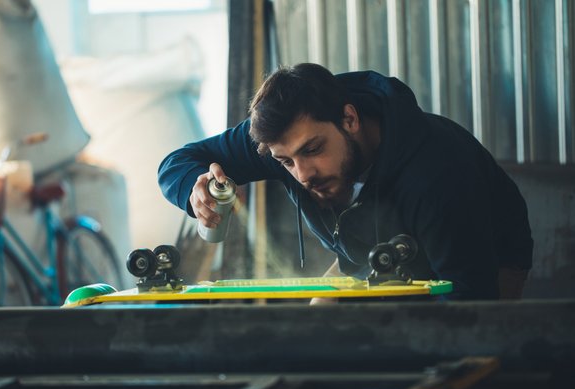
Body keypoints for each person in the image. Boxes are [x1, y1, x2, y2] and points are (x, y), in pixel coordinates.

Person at [158, 63, 533, 300]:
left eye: (313, 150)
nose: (303, 174)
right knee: (319, 332)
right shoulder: (284, 138)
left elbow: (469, 300)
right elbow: (177, 162)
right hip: (365, 255)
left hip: (482, 263)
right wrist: (197, 188)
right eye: (285, 162)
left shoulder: (438, 169)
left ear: (349, 119)